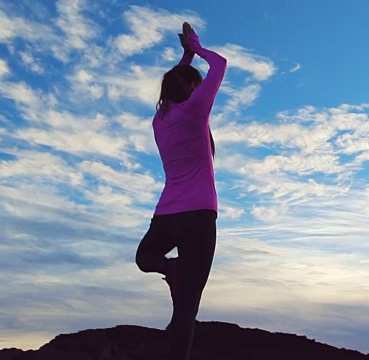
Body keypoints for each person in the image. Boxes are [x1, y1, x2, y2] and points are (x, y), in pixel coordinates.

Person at [135, 22, 227, 360]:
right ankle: (175, 274)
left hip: (167, 215)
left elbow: (177, 84)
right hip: (199, 218)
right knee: (186, 312)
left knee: (144, 257)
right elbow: (220, 64)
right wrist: (197, 46)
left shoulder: (160, 121)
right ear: (191, 87)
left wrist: (186, 56)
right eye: (196, 84)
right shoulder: (195, 111)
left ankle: (169, 269)